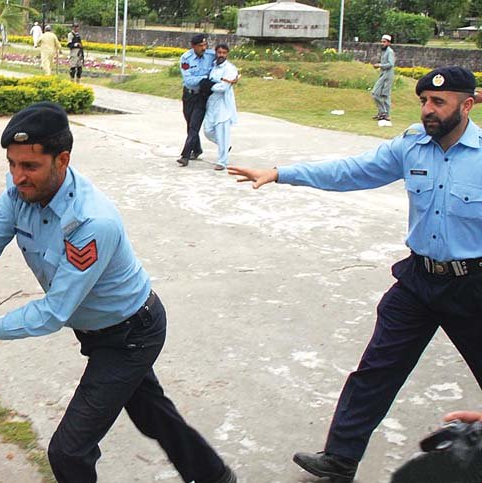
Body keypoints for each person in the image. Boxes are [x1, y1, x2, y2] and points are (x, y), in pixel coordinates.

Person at [0, 102, 238, 483]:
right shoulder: (19, 193)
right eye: (12, 164)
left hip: (131, 334)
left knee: (68, 451)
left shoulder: (91, 222)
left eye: (30, 167)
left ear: (63, 160)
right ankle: (215, 477)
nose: (18, 177)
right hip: (99, 329)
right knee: (154, 415)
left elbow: (53, 313)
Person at [227, 66, 482, 482]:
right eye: (423, 102)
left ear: (467, 104)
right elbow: (351, 171)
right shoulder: (411, 147)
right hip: (418, 281)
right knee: (376, 370)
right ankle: (340, 459)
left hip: (473, 284)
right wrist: (281, 173)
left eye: (439, 102)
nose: (428, 110)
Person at [177, 34, 215, 167]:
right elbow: (188, 80)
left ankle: (185, 155)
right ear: (193, 46)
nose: (203, 48)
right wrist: (205, 78)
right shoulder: (186, 59)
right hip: (188, 95)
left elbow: (221, 66)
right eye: (200, 46)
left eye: (205, 45)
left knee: (194, 126)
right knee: (189, 123)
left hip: (202, 96)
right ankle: (197, 149)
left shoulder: (211, 56)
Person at [203, 43, 239, 171]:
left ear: (227, 54)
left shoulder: (230, 69)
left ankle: (222, 162)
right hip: (211, 104)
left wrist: (209, 86)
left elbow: (223, 87)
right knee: (207, 130)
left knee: (222, 132)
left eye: (224, 53)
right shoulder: (213, 66)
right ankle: (224, 145)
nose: (221, 55)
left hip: (223, 105)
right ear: (216, 53)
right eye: (219, 52)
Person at [372, 34, 396, 122]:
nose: (382, 43)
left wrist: (379, 65)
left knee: (384, 95)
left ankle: (386, 114)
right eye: (381, 42)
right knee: (376, 94)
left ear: (389, 43)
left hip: (387, 75)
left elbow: (391, 64)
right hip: (383, 74)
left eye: (384, 42)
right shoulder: (384, 51)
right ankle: (382, 112)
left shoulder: (389, 52)